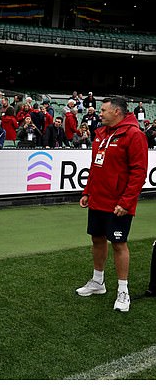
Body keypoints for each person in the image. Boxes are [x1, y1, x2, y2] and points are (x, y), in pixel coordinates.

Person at [77, 97, 148, 312]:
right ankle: (98, 282)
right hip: (98, 198)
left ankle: (123, 291)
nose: (100, 113)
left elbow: (139, 172)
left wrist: (126, 202)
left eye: (104, 110)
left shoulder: (134, 135)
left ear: (117, 112)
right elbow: (95, 165)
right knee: (97, 239)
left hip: (119, 203)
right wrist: (87, 191)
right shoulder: (101, 134)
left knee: (119, 244)